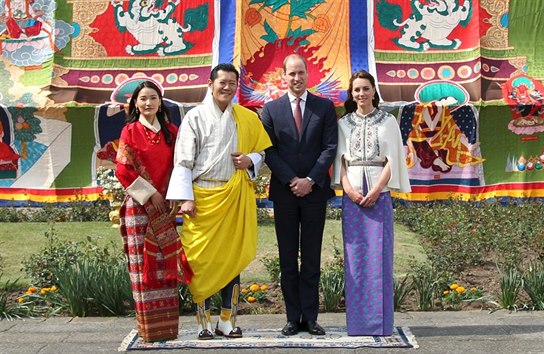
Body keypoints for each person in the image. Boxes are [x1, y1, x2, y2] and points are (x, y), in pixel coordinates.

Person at [165, 63, 272, 340]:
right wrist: (185, 198)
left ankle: (228, 320)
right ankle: (203, 322)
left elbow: (262, 152)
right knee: (201, 261)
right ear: (210, 84)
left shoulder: (246, 117)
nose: (227, 88)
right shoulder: (195, 118)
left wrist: (251, 161)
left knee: (232, 259)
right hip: (202, 197)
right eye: (222, 82)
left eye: (232, 83)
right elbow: (183, 161)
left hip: (234, 196)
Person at [261, 54, 338, 336]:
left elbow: (330, 147)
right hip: (285, 193)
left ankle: (311, 317)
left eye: (301, 73)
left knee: (311, 257)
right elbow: (269, 151)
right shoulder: (270, 110)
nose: (296, 78)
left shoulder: (324, 107)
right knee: (287, 257)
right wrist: (292, 180)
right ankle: (293, 318)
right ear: (284, 76)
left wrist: (310, 180)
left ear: (308, 75)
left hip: (315, 193)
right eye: (291, 74)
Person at [332, 70, 411, 336]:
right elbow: (340, 163)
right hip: (352, 195)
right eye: (356, 90)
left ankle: (380, 324)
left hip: (380, 193)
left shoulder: (388, 121)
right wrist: (349, 191)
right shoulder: (344, 123)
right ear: (351, 94)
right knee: (355, 258)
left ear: (374, 91)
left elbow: (394, 160)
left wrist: (378, 189)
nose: (361, 94)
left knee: (380, 256)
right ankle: (358, 324)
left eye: (365, 89)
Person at [115, 80, 192, 342]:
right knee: (142, 268)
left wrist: (172, 195)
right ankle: (148, 330)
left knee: (165, 267)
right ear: (135, 104)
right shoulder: (130, 131)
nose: (148, 103)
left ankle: (168, 328)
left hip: (166, 209)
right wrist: (152, 194)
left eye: (153, 98)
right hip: (139, 208)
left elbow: (181, 166)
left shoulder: (172, 130)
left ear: (160, 103)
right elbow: (123, 170)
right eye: (143, 99)